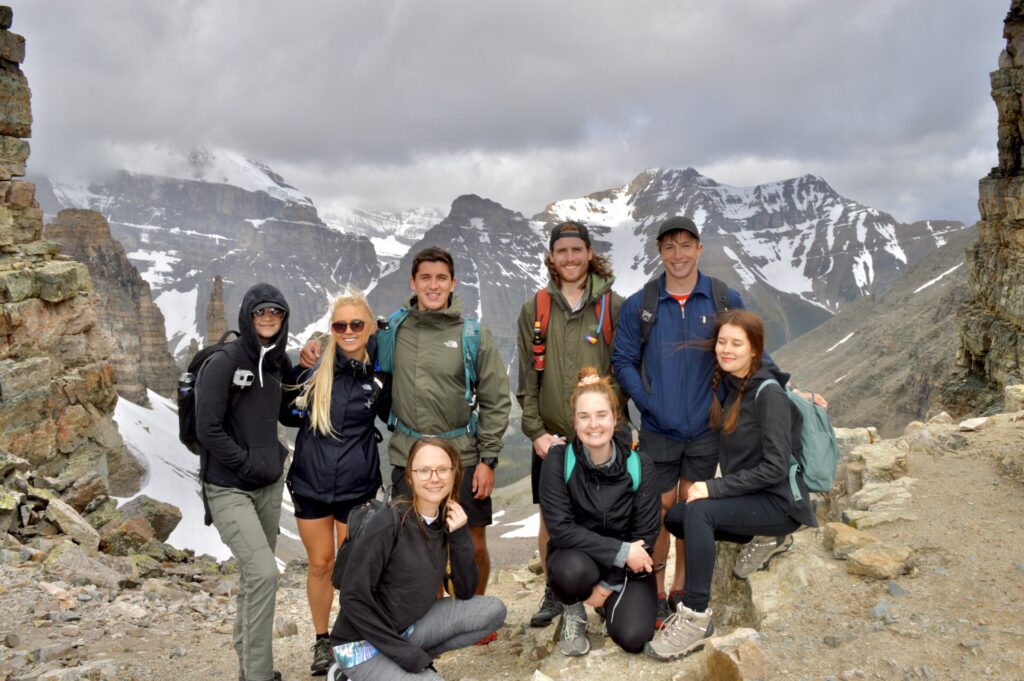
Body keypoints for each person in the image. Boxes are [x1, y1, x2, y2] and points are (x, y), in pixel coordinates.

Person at [302, 246, 511, 596]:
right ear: (412, 282)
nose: (433, 285)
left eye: (441, 278)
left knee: (472, 539)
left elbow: (496, 400)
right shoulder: (393, 330)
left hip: (462, 453)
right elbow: (352, 337)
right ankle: (430, 612)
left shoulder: (473, 334)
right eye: (425, 278)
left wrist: (488, 461)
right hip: (407, 454)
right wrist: (318, 340)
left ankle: (475, 609)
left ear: (453, 283)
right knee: (416, 542)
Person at [646, 310, 817, 661]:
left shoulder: (768, 394)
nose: (726, 349)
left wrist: (714, 488)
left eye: (736, 343)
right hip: (752, 497)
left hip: (779, 503)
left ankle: (696, 618)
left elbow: (774, 467)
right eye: (722, 342)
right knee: (677, 517)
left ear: (755, 349)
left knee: (698, 514)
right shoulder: (732, 385)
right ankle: (767, 539)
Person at [612, 215, 747, 625]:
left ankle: (680, 590)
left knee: (693, 508)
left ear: (699, 249)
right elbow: (622, 360)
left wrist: (785, 387)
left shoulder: (724, 299)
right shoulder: (643, 305)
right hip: (659, 429)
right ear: (659, 251)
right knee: (657, 512)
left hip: (706, 429)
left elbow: (748, 350)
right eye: (669, 247)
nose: (678, 255)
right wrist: (648, 402)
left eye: (686, 245)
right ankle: (651, 591)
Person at [515, 220, 625, 628]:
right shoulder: (536, 308)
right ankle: (556, 591)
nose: (570, 258)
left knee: (603, 514)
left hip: (599, 434)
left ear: (589, 253)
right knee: (552, 519)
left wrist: (622, 427)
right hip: (553, 438)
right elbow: (527, 376)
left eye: (577, 250)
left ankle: (608, 585)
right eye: (562, 252)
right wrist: (536, 433)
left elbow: (625, 370)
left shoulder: (612, 305)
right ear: (552, 258)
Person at [328, 438, 507, 680]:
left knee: (493, 611)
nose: (434, 478)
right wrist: (408, 657)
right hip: (361, 645)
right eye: (424, 471)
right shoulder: (388, 522)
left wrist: (460, 535)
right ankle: (347, 674)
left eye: (443, 469)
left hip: (407, 629)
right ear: (410, 477)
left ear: (455, 474)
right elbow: (352, 598)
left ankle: (403, 663)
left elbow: (464, 591)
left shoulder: (445, 521)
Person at [283, 288, 391, 676]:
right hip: (311, 484)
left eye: (356, 324)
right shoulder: (313, 369)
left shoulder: (379, 371)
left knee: (351, 568)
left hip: (356, 487)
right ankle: (322, 640)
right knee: (320, 565)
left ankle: (352, 636)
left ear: (368, 328)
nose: (348, 330)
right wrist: (302, 363)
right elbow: (287, 414)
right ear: (332, 328)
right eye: (340, 324)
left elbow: (393, 414)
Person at [196, 283, 292, 681]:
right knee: (265, 573)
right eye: (260, 312)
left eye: (276, 313)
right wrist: (247, 465)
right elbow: (208, 430)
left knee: (255, 578)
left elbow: (289, 414)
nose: (268, 319)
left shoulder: (278, 363)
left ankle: (247, 663)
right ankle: (258, 674)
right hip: (228, 488)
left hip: (268, 487)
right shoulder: (224, 362)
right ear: (248, 316)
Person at [539, 368, 661, 657]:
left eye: (601, 415)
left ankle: (608, 604)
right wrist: (620, 551)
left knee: (633, 638)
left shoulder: (640, 465)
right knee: (570, 572)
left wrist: (607, 586)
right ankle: (573, 610)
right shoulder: (558, 461)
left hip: (629, 566)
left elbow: (644, 536)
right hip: (579, 559)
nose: (593, 425)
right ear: (574, 421)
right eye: (584, 416)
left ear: (615, 418)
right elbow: (561, 529)